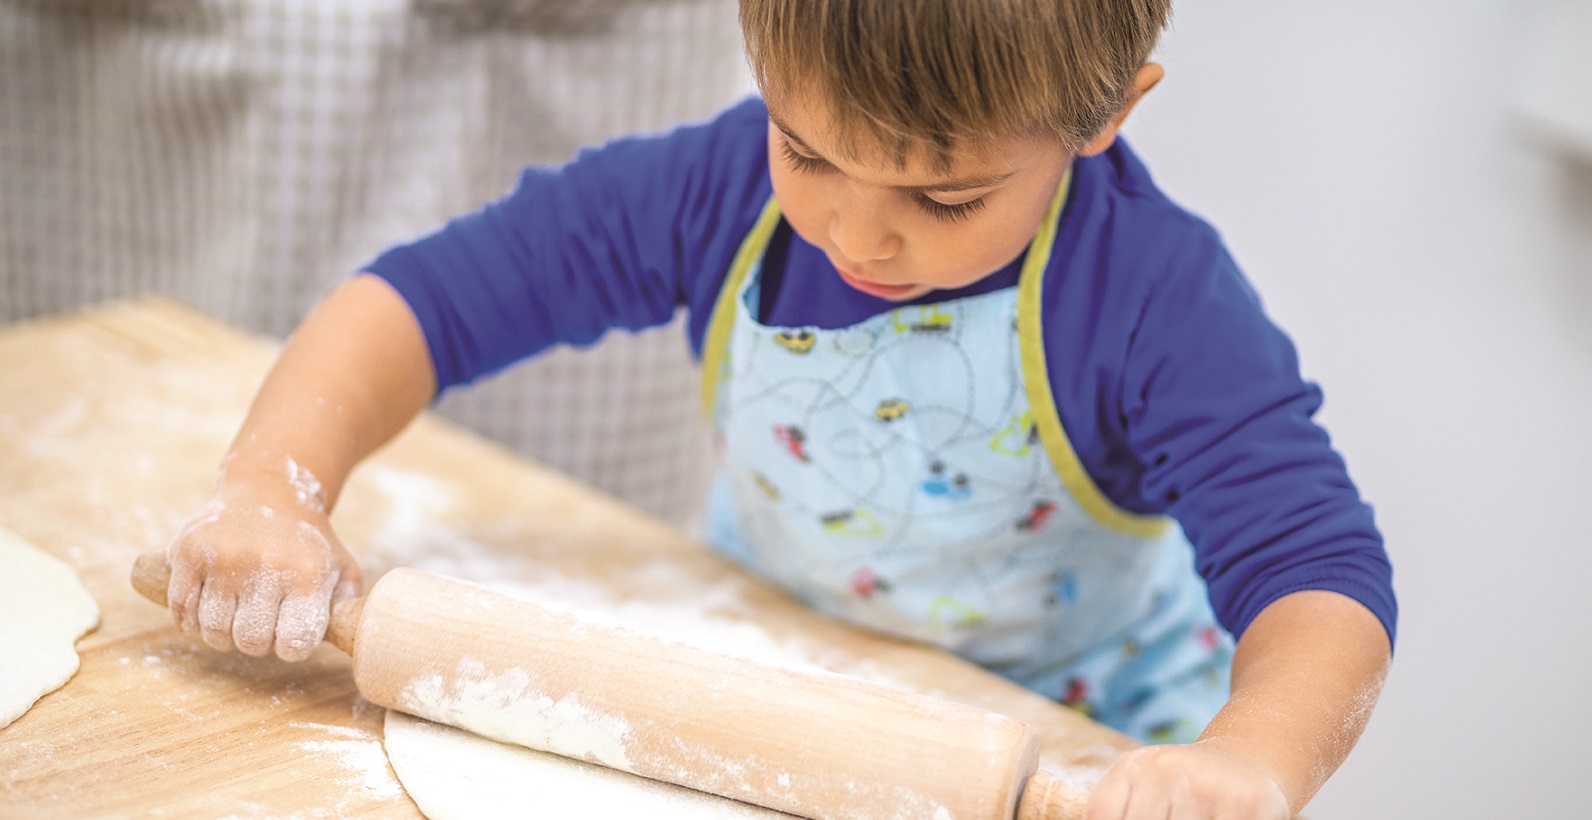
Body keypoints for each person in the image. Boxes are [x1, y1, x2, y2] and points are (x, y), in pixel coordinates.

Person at [164, 0, 1396, 816]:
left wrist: (1246, 760)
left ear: (1109, 111)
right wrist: (273, 482)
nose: (857, 232)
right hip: (774, 662)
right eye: (806, 152)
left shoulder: (1152, 299)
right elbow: (427, 301)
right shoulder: (710, 190)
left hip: (1068, 736)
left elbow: (1316, 570)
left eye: (946, 198)